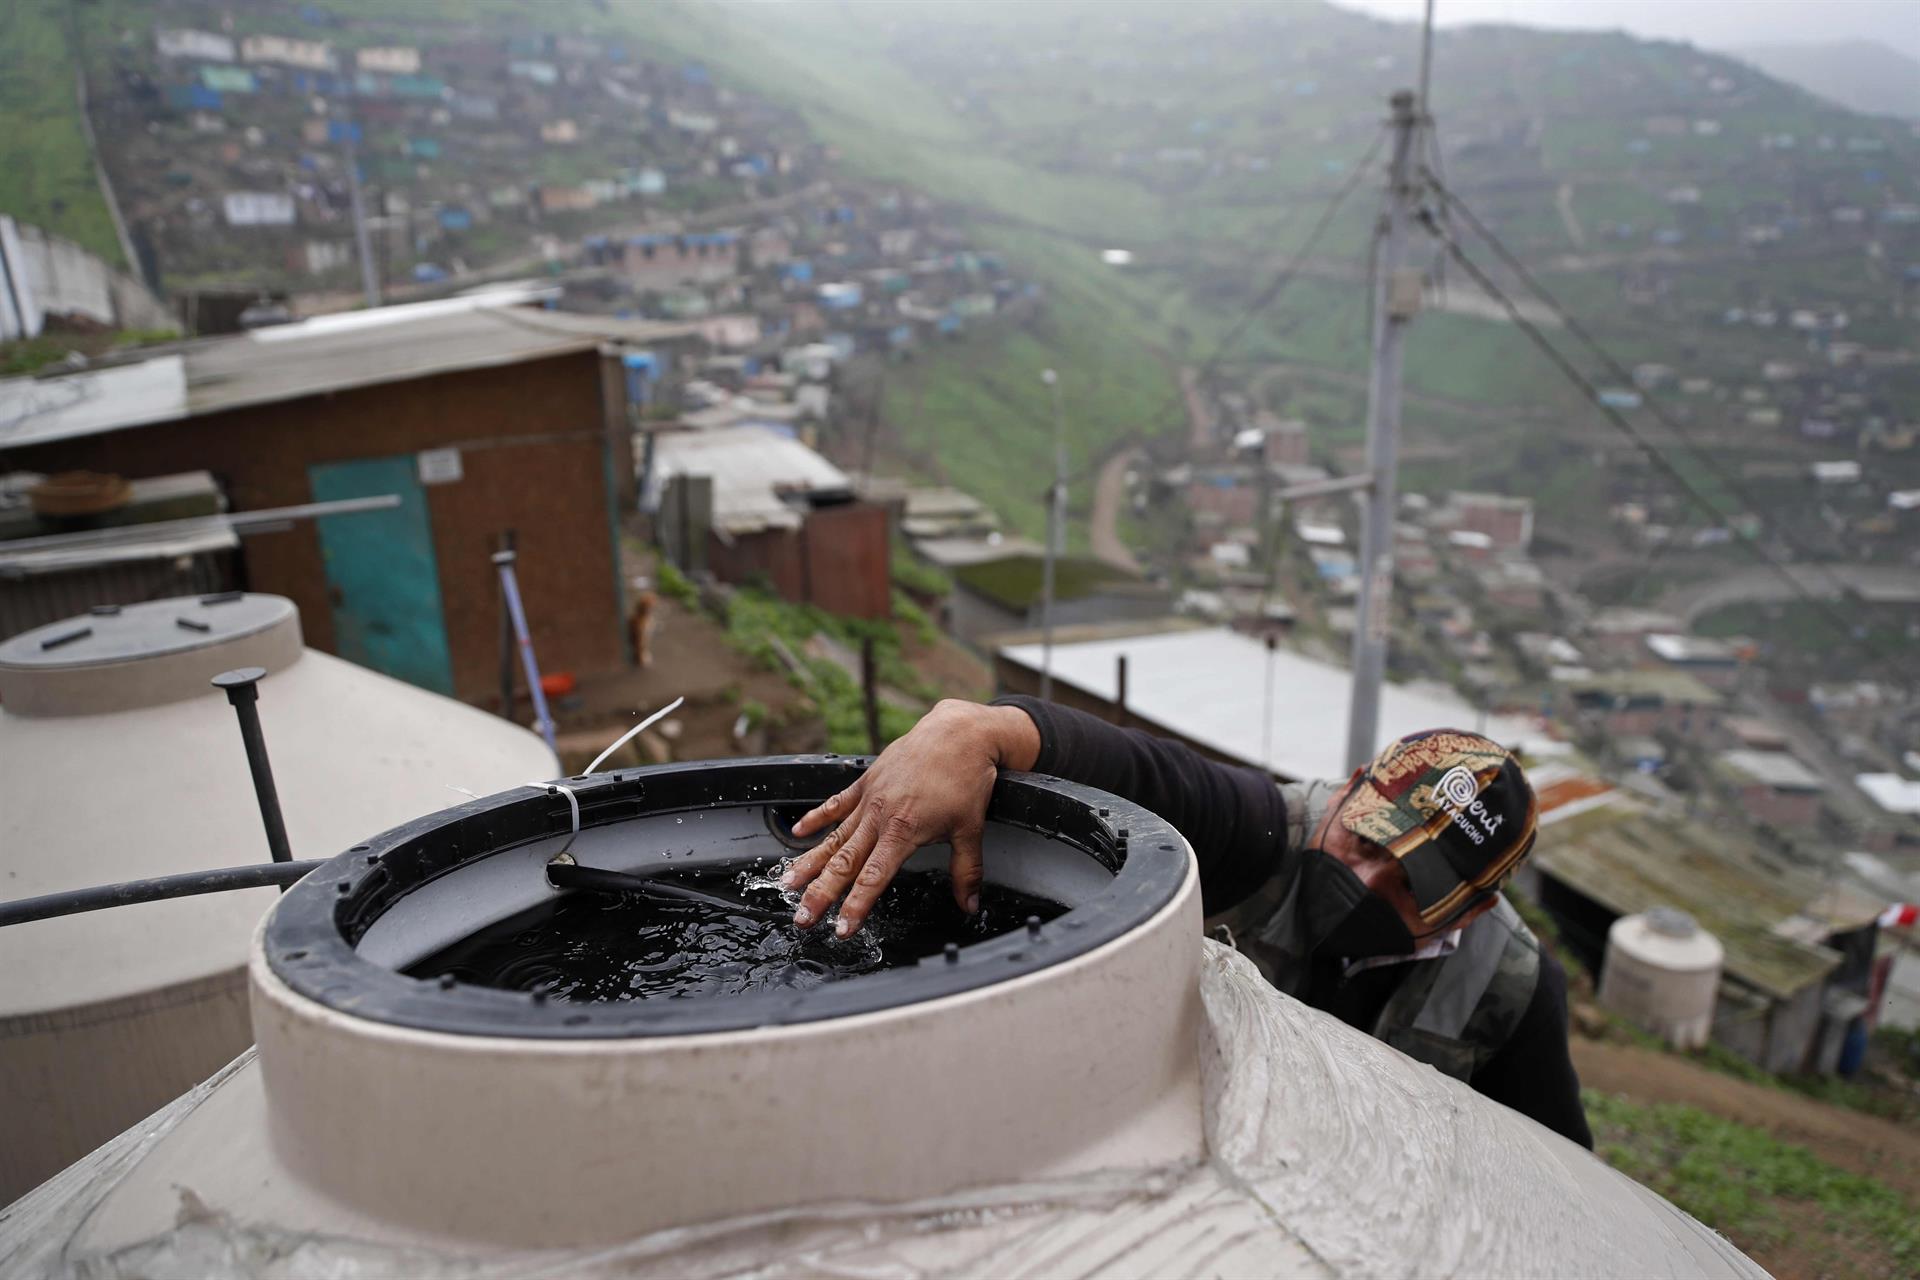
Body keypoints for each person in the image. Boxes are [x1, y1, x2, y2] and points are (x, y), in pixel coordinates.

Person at [782, 695, 1592, 1148]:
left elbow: (1558, 1175)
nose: (1363, 878)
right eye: (1364, 839)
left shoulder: (1509, 992)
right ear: (1350, 788)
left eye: (1409, 886)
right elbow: (1143, 769)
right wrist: (971, 731)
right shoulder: (1262, 830)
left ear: (1476, 908)